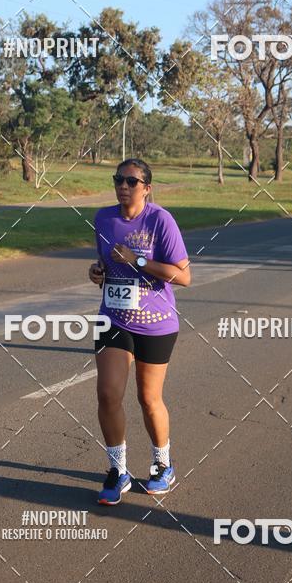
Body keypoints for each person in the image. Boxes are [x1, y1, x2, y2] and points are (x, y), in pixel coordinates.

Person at [88, 158, 191, 505]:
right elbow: (104, 260)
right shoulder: (104, 218)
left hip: (156, 323)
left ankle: (163, 465)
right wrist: (98, 271)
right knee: (107, 394)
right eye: (119, 179)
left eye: (132, 181)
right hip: (114, 319)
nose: (123, 186)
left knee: (148, 398)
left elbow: (184, 276)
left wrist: (140, 261)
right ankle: (118, 472)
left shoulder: (160, 220)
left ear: (147, 188)